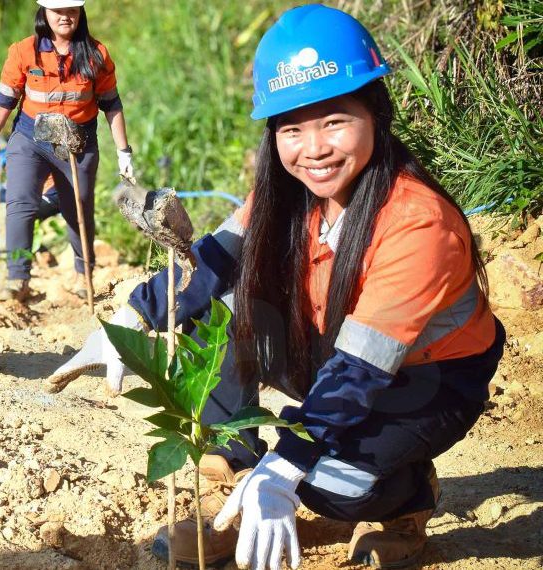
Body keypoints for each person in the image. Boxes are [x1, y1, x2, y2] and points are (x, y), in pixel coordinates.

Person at [47, 5, 504, 569]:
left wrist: (284, 468)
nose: (314, 149)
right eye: (292, 128)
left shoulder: (417, 221)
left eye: (334, 120)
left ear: (375, 113)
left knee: (328, 484)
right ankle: (230, 476)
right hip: (338, 355)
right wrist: (132, 321)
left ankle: (406, 499)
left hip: (424, 383)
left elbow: (362, 371)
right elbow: (209, 265)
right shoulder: (286, 195)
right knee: (215, 307)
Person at [0, 0, 134, 301]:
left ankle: (84, 275)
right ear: (44, 12)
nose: (65, 16)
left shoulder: (96, 54)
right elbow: (3, 102)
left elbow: (112, 104)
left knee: (78, 207)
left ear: (80, 13)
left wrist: (124, 152)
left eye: (72, 10)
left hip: (77, 144)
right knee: (20, 204)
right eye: (58, 10)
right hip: (30, 139)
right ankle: (18, 279)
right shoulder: (23, 52)